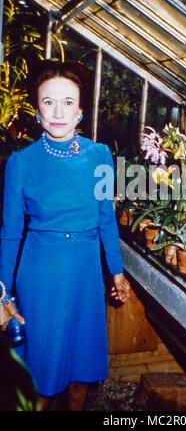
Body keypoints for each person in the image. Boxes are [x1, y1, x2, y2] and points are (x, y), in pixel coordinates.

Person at [0, 59, 130, 411]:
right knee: (42, 380)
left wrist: (116, 272)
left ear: (81, 111)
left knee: (80, 378)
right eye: (48, 101)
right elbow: (10, 234)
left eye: (68, 102)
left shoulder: (100, 155)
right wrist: (2, 294)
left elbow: (106, 219)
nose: (58, 112)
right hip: (41, 275)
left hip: (86, 275)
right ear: (37, 108)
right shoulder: (21, 162)